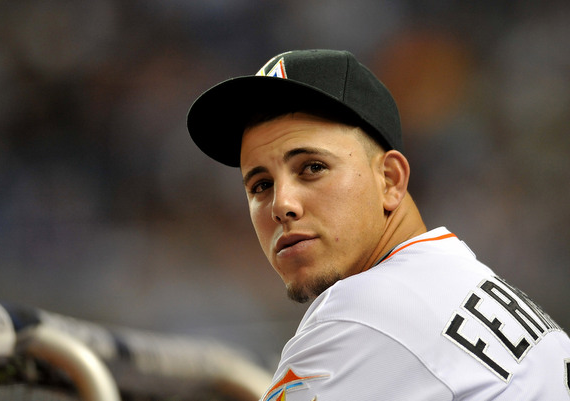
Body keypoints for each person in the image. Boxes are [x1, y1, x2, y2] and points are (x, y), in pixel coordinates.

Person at [186, 49, 570, 400]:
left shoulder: (360, 312)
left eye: (312, 168)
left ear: (389, 179)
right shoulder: (461, 282)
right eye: (261, 185)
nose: (281, 205)